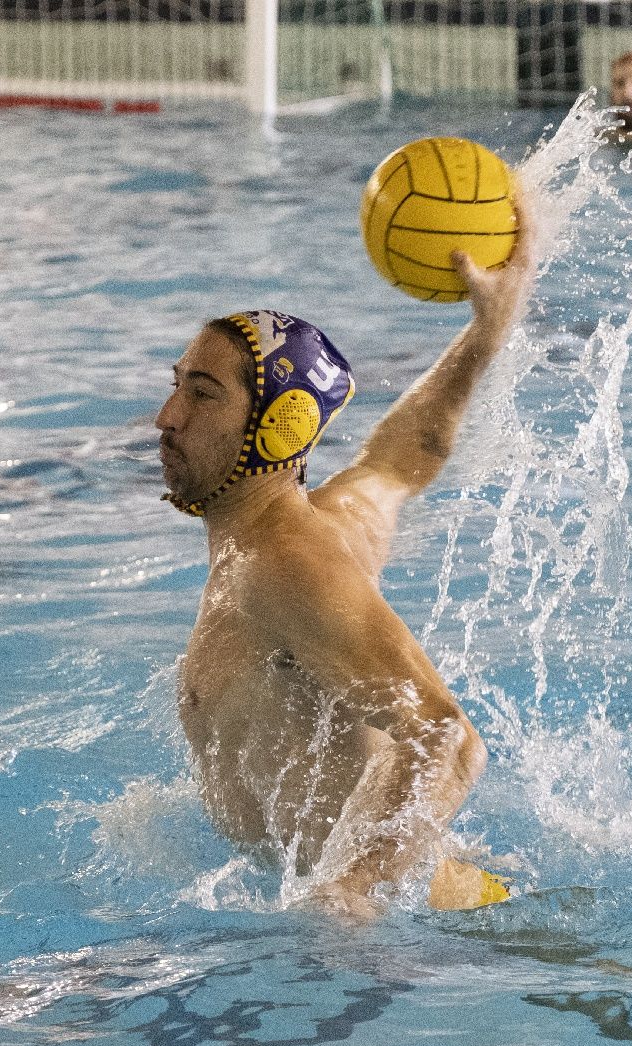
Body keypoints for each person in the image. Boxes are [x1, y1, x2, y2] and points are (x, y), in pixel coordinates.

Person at [154, 207, 536, 922]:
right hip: (451, 896)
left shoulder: (286, 564)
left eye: (202, 394)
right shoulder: (325, 522)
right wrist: (485, 333)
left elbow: (448, 738)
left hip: (417, 923)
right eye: (178, 384)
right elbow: (403, 454)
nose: (167, 417)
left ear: (280, 425)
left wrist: (351, 885)